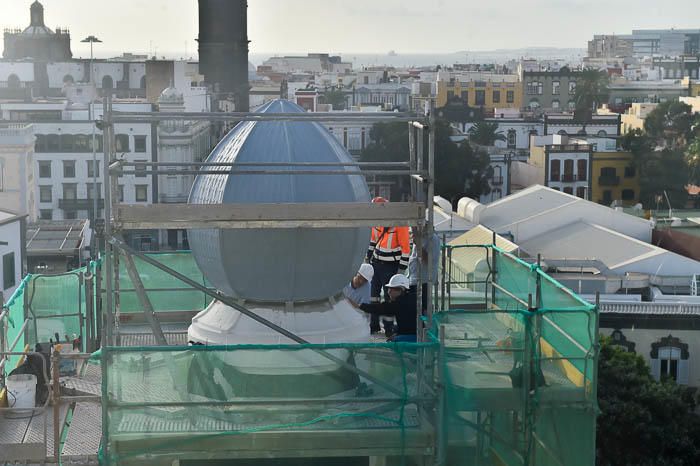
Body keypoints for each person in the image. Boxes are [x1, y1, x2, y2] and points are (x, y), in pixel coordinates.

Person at [366, 197, 411, 335]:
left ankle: (389, 328)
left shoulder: (399, 223)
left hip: (391, 266)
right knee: (374, 296)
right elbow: (373, 241)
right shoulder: (376, 222)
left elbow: (406, 250)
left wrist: (400, 271)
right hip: (376, 264)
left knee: (389, 297)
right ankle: (374, 326)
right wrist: (368, 259)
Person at [355, 274, 417, 342]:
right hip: (418, 333)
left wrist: (360, 305)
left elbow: (379, 308)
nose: (388, 292)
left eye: (391, 289)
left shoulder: (398, 303)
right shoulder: (412, 297)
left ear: (401, 290)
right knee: (395, 329)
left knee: (391, 342)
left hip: (415, 337)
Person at [407, 230, 441, 313]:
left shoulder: (432, 239)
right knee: (414, 308)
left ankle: (424, 325)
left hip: (424, 281)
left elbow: (429, 260)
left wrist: (418, 244)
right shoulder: (420, 238)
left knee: (422, 308)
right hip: (415, 279)